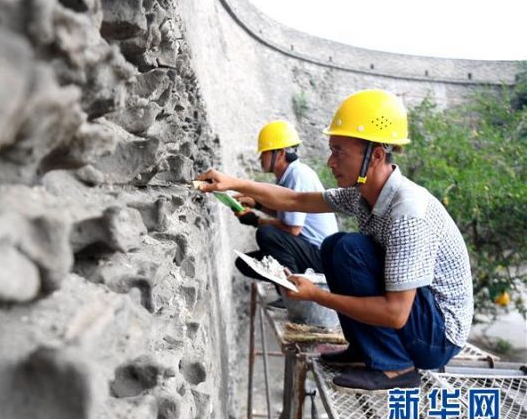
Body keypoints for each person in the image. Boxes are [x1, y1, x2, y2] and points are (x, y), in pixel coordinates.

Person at [197, 90, 473, 392]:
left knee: (349, 249)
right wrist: (234, 182)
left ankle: (397, 368)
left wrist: (317, 295)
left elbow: (396, 312)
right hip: (418, 318)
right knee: (335, 246)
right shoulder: (363, 194)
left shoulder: (407, 211)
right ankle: (364, 351)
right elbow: (296, 200)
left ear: (376, 155)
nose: (330, 162)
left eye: (339, 151)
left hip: (437, 337)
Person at [233, 121, 338, 308]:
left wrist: (256, 221)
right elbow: (286, 214)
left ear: (279, 153)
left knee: (266, 234)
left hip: (320, 257)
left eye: (264, 152)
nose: (260, 159)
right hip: (306, 251)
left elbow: (293, 229)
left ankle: (292, 293)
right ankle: (286, 288)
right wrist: (256, 204)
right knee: (244, 263)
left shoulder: (298, 176)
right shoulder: (291, 175)